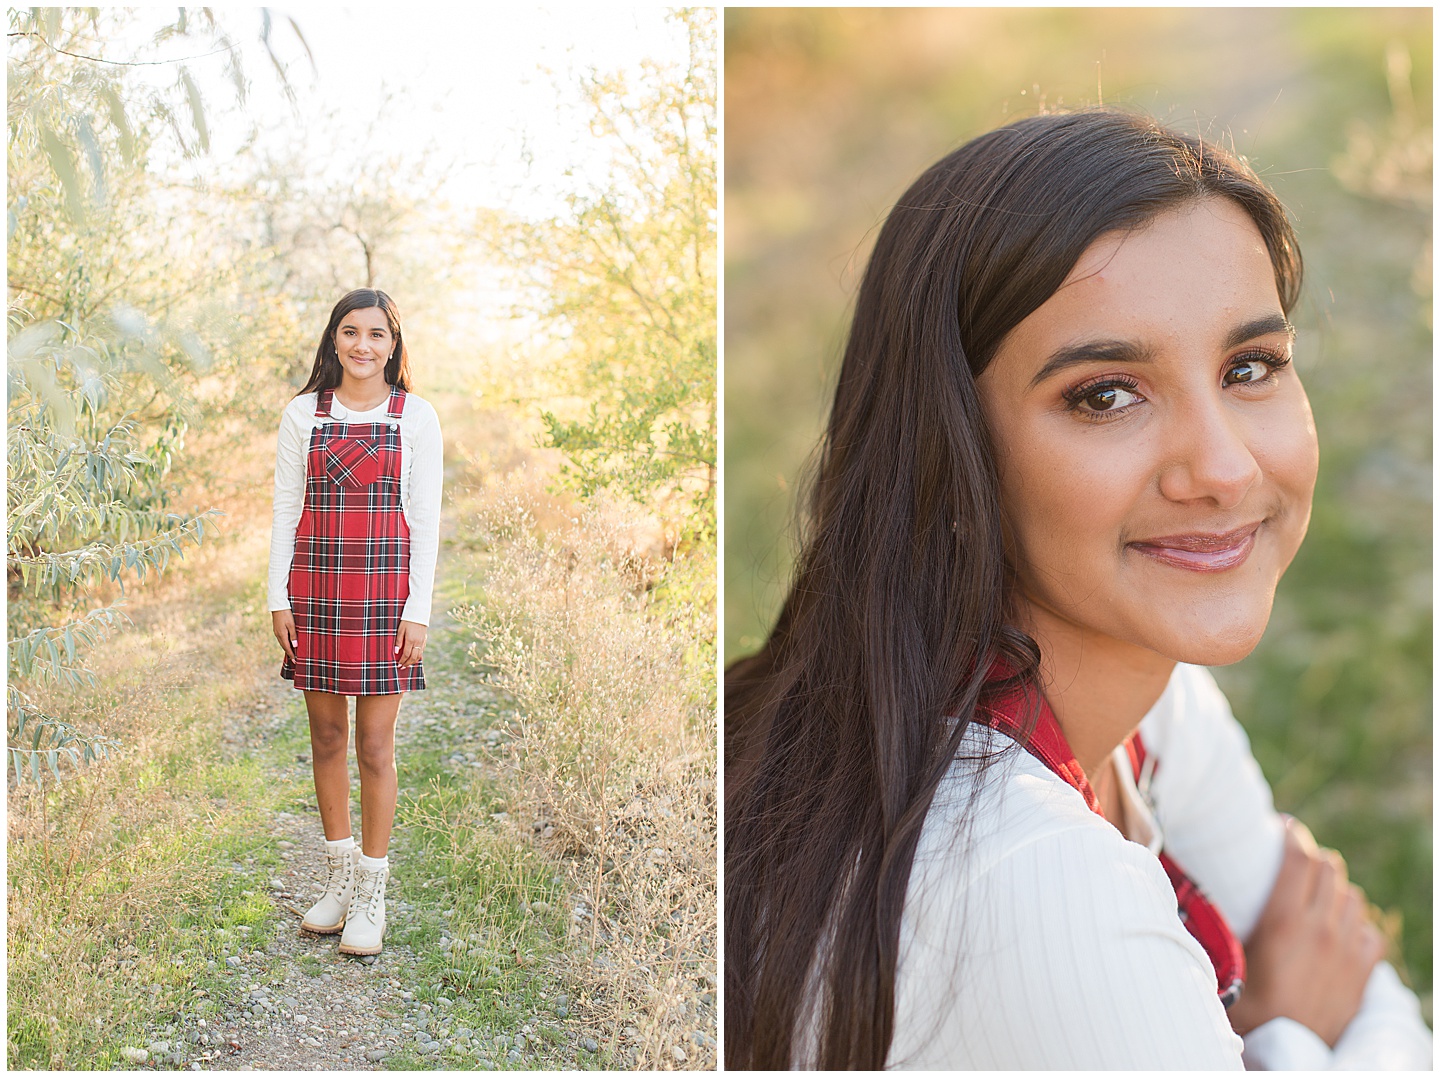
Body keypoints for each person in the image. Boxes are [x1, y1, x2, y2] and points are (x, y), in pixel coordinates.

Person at [724, 110, 1432, 1069]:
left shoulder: (1143, 692)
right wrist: (1290, 1030)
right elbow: (1362, 1000)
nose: (1222, 468)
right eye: (1106, 393)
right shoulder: (1026, 882)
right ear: (953, 454)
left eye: (1249, 367)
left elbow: (1335, 940)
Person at [268, 288, 443, 957]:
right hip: (315, 593)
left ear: (393, 344)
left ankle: (372, 894)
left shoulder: (416, 417)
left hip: (383, 597)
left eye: (376, 334)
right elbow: (286, 510)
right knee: (326, 736)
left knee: (374, 745)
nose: (363, 347)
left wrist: (417, 612)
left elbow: (424, 521)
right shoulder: (302, 415)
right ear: (333, 340)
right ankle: (338, 884)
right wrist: (276, 597)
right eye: (350, 333)